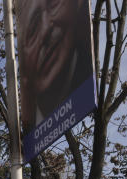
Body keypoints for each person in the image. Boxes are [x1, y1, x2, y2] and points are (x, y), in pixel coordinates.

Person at [16, 0, 93, 131]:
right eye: (33, 29)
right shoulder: (31, 126)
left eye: (53, 4)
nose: (45, 29)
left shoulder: (87, 82)